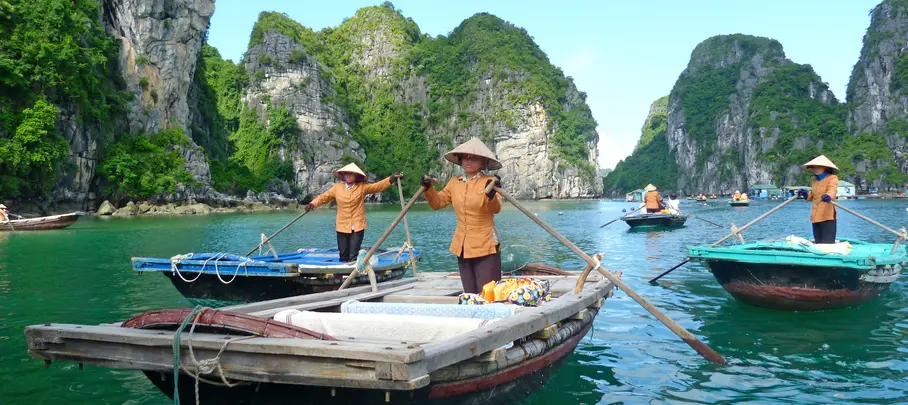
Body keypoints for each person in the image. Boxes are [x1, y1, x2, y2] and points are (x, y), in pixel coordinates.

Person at [421, 138, 503, 294]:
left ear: (483, 162)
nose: (468, 160)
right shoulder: (454, 182)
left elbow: (496, 208)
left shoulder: (490, 182)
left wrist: (491, 195)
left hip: (485, 245)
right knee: (470, 294)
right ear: (460, 160)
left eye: (474, 157)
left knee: (488, 294)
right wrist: (428, 188)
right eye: (465, 157)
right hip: (462, 245)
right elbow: (437, 203)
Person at [306, 163, 403, 263]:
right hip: (342, 225)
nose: (349, 176)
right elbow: (324, 197)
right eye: (347, 174)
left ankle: (354, 274)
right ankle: (342, 275)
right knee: (343, 254)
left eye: (351, 174)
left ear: (356, 176)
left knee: (353, 255)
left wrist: (391, 179)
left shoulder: (362, 187)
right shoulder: (337, 188)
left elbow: (377, 187)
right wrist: (312, 204)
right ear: (343, 175)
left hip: (358, 225)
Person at [802, 155, 839, 244]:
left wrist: (828, 196)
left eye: (818, 167)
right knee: (818, 242)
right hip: (816, 216)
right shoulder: (814, 180)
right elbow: (812, 196)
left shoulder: (832, 178)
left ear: (825, 167)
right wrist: (805, 194)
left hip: (828, 216)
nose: (816, 169)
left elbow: (832, 190)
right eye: (813, 167)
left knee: (827, 244)